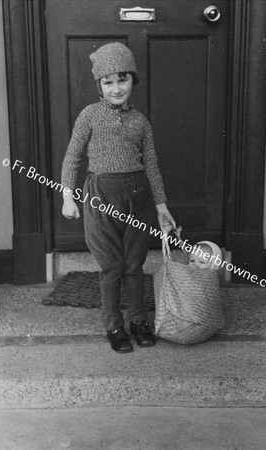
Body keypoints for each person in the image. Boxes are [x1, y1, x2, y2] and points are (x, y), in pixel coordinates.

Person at [61, 42, 175, 353]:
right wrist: (68, 197)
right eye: (108, 82)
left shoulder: (141, 122)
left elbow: (151, 165)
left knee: (134, 264)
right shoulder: (89, 116)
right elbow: (72, 157)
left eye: (122, 80)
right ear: (99, 84)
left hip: (136, 197)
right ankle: (113, 324)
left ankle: (138, 320)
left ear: (133, 81)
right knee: (111, 265)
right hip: (100, 197)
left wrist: (161, 206)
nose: (116, 88)